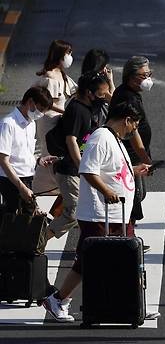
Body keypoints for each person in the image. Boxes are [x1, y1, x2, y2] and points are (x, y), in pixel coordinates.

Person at [42, 102, 151, 322]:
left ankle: (134, 304)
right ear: (126, 119)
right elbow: (87, 170)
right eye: (134, 125)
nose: (134, 131)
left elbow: (112, 170)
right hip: (100, 213)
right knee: (88, 261)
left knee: (128, 259)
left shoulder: (114, 139)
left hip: (117, 213)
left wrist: (135, 171)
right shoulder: (101, 137)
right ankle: (58, 299)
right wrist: (107, 191)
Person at [46, 72, 111, 241]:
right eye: (101, 94)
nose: (103, 98)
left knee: (87, 212)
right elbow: (71, 140)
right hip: (70, 171)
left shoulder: (88, 108)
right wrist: (82, 167)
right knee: (72, 213)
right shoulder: (77, 109)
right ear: (89, 93)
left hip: (78, 169)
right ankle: (38, 240)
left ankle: (86, 246)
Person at [109, 56, 154, 231]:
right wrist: (145, 157)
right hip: (130, 156)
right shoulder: (127, 98)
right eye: (144, 75)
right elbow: (132, 131)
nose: (148, 79)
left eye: (149, 74)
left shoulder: (131, 94)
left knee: (138, 194)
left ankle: (127, 234)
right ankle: (126, 236)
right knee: (133, 196)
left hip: (136, 156)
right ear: (131, 76)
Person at [0, 87, 58, 217]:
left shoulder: (31, 123)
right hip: (11, 180)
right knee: (21, 218)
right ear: (30, 102)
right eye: (40, 109)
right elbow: (3, 160)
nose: (41, 114)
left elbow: (24, 152)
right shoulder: (8, 124)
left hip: (27, 177)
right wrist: (21, 187)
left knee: (22, 219)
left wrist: (38, 160)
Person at [32, 40, 77, 195]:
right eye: (68, 53)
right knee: (49, 152)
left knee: (58, 152)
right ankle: (44, 187)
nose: (70, 56)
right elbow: (48, 103)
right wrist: (66, 112)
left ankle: (52, 187)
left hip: (60, 120)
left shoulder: (62, 74)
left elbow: (73, 92)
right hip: (49, 121)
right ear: (60, 55)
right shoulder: (50, 76)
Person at [81, 49, 115, 128]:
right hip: (97, 120)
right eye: (104, 66)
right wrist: (110, 80)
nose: (105, 69)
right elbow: (113, 100)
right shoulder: (96, 82)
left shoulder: (85, 79)